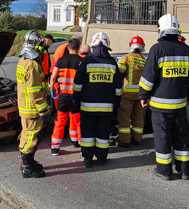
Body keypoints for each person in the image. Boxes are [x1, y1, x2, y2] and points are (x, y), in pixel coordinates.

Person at [139, 14, 189, 181]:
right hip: (180, 104)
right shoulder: (186, 50)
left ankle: (164, 171)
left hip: (160, 105)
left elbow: (148, 77)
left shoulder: (157, 49)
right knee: (182, 136)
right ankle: (185, 170)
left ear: (161, 30)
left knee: (162, 136)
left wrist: (143, 95)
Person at [73, 32, 122, 167]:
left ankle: (88, 159)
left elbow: (78, 83)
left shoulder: (87, 61)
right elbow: (118, 86)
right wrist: (117, 101)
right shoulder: (112, 63)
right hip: (106, 108)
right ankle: (101, 159)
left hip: (87, 106)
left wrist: (76, 99)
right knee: (102, 133)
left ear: (93, 46)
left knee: (87, 133)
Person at [16, 30, 50, 178]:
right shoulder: (32, 65)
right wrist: (44, 110)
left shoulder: (24, 61)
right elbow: (34, 92)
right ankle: (27, 166)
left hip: (26, 106)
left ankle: (29, 161)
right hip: (32, 109)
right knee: (32, 137)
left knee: (26, 135)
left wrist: (48, 94)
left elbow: (40, 84)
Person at [49, 37, 83, 155]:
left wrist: (52, 90)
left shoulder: (60, 60)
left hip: (62, 96)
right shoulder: (81, 61)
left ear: (68, 47)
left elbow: (53, 77)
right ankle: (80, 145)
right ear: (78, 48)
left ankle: (55, 148)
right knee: (78, 121)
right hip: (76, 97)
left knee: (60, 122)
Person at [116, 36, 147, 147]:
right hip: (140, 95)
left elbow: (119, 74)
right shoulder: (144, 61)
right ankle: (137, 139)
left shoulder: (125, 58)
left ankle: (124, 141)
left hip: (127, 94)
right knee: (138, 117)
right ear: (142, 47)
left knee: (124, 117)